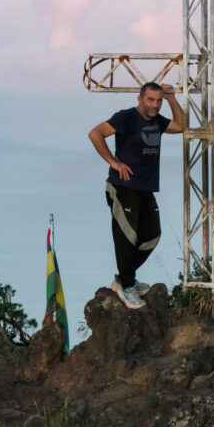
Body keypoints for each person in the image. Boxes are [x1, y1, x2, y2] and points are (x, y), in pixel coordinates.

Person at [88, 82, 184, 309]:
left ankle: (124, 277)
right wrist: (114, 161)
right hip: (123, 186)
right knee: (127, 236)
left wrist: (172, 98)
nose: (156, 104)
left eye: (159, 100)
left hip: (145, 187)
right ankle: (127, 285)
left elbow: (181, 126)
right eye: (151, 100)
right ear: (140, 99)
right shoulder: (126, 117)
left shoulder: (157, 121)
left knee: (152, 234)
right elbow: (95, 134)